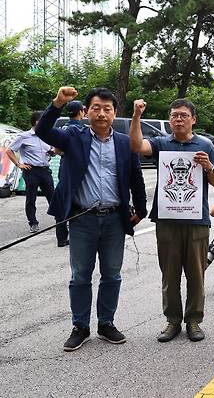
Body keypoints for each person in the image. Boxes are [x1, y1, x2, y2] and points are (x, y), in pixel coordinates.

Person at [34, 86, 147, 352]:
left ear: (114, 113)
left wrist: (141, 209)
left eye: (107, 109)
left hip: (114, 219)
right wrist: (58, 102)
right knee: (80, 276)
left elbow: (136, 177)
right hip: (82, 219)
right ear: (86, 112)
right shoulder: (74, 136)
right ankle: (80, 327)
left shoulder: (124, 142)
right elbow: (42, 131)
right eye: (96, 108)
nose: (102, 114)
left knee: (112, 275)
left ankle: (106, 323)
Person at [130, 98, 214, 343]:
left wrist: (208, 166)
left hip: (196, 220)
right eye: (174, 115)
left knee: (196, 275)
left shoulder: (205, 145)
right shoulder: (161, 143)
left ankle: (193, 321)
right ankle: (172, 321)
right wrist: (137, 116)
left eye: (183, 115)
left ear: (193, 119)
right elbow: (137, 146)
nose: (178, 119)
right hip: (167, 220)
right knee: (169, 275)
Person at [5, 111, 57, 235]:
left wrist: (52, 151)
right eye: (43, 120)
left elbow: (52, 150)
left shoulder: (46, 135)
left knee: (53, 196)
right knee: (31, 198)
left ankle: (60, 219)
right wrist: (18, 164)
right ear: (36, 122)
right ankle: (33, 222)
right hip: (31, 171)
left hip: (45, 170)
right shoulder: (24, 136)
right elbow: (9, 150)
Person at [54, 100, 87, 246]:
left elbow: (57, 150)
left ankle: (61, 238)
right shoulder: (82, 129)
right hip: (78, 167)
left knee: (63, 200)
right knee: (80, 201)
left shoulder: (62, 128)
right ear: (80, 112)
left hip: (64, 166)